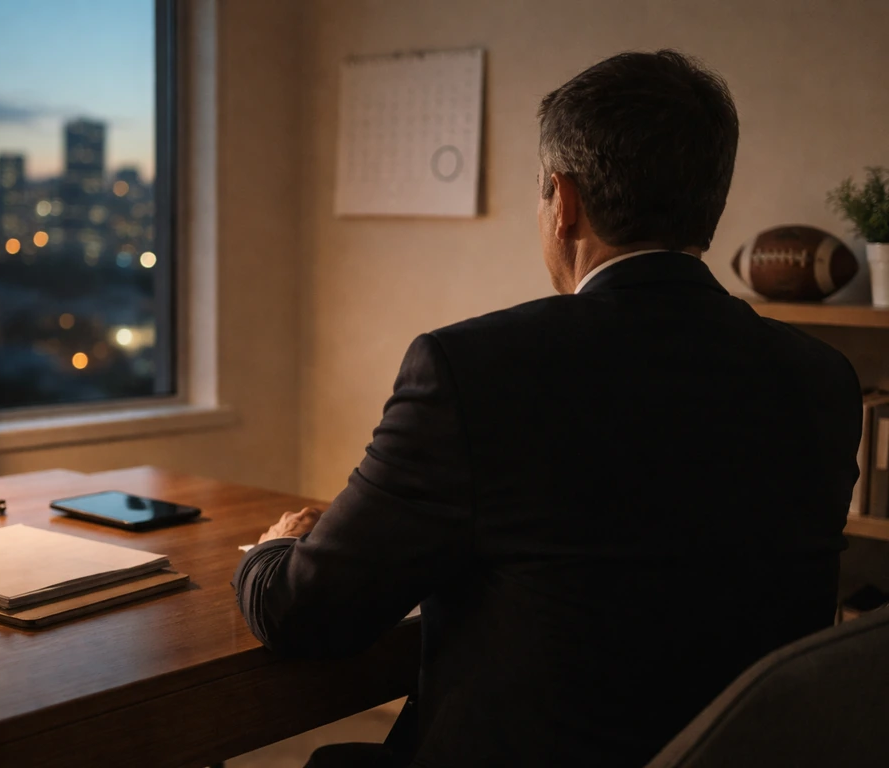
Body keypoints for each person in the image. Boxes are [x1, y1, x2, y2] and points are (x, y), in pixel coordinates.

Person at [233, 50, 861, 768]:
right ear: (709, 206)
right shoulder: (822, 380)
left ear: (562, 202)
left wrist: (275, 550)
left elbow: (305, 614)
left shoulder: (475, 369)